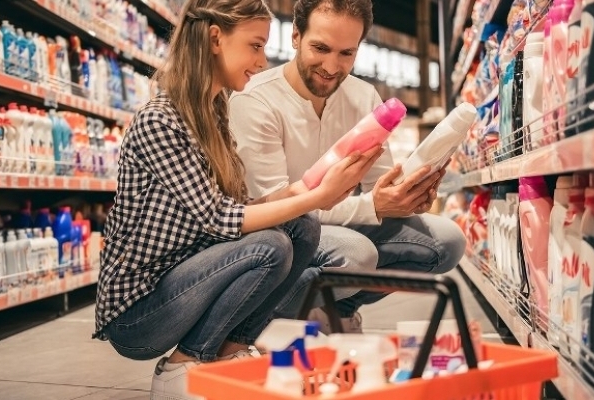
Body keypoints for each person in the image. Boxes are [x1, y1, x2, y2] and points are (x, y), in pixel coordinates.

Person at [92, 0, 382, 399]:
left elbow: (246, 204)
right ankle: (181, 367)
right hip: (140, 311)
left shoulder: (214, 113)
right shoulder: (161, 120)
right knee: (270, 246)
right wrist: (318, 195)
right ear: (215, 39)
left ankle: (229, 350)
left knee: (301, 228)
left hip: (185, 281)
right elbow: (219, 218)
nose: (262, 62)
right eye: (255, 46)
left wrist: (317, 188)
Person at [229, 0, 467, 333]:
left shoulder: (364, 96)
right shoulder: (256, 100)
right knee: (355, 253)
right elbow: (278, 208)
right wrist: (373, 207)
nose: (331, 66)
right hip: (280, 236)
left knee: (447, 241)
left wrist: (407, 198)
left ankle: (336, 310)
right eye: (320, 48)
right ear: (295, 36)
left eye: (346, 53)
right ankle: (264, 319)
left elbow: (378, 187)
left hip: (341, 223)